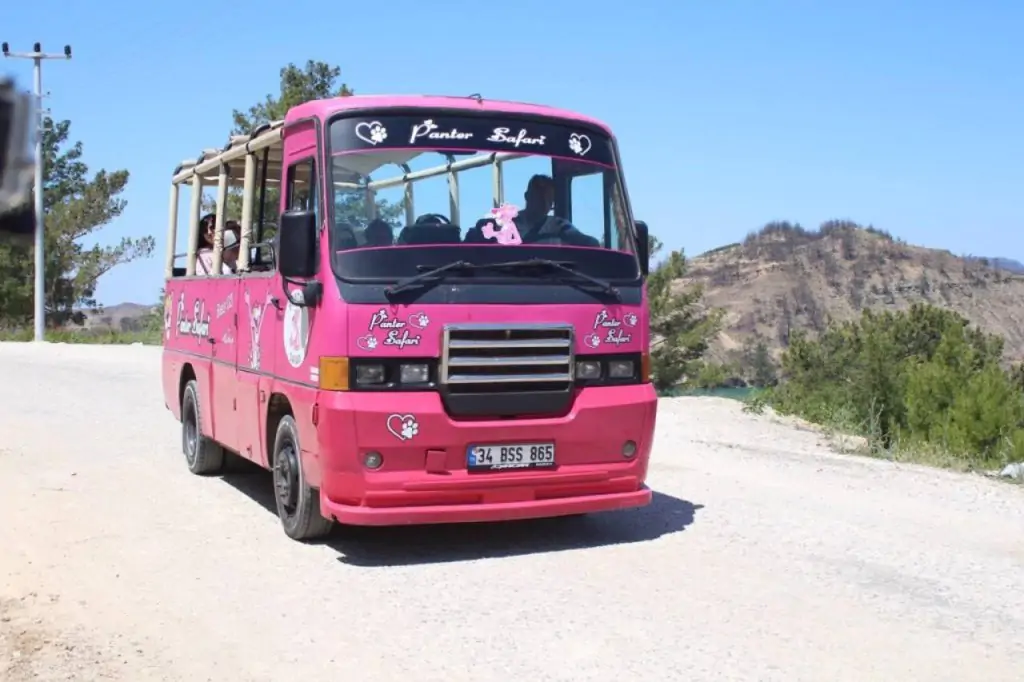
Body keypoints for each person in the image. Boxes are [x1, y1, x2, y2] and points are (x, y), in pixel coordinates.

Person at [513, 174, 600, 248]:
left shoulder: (560, 226)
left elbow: (591, 243)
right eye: (540, 198)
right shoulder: (508, 225)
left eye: (550, 200)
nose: (545, 204)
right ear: (527, 196)